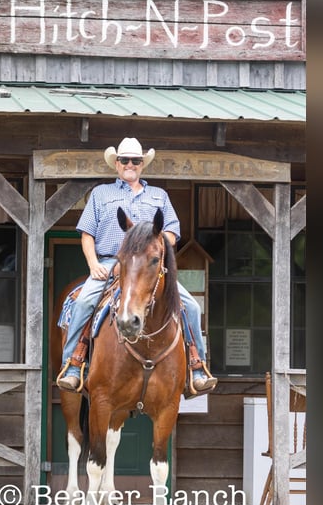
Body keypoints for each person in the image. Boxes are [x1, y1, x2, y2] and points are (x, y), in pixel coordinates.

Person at [57, 137, 217, 393]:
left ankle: (197, 367)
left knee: (192, 307)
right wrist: (93, 264)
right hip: (110, 263)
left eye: (135, 160)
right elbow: (87, 234)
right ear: (116, 164)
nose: (130, 164)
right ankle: (73, 365)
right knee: (85, 301)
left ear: (142, 165)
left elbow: (173, 233)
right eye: (125, 160)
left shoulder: (159, 196)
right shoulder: (101, 194)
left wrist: (153, 249)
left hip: (150, 268)